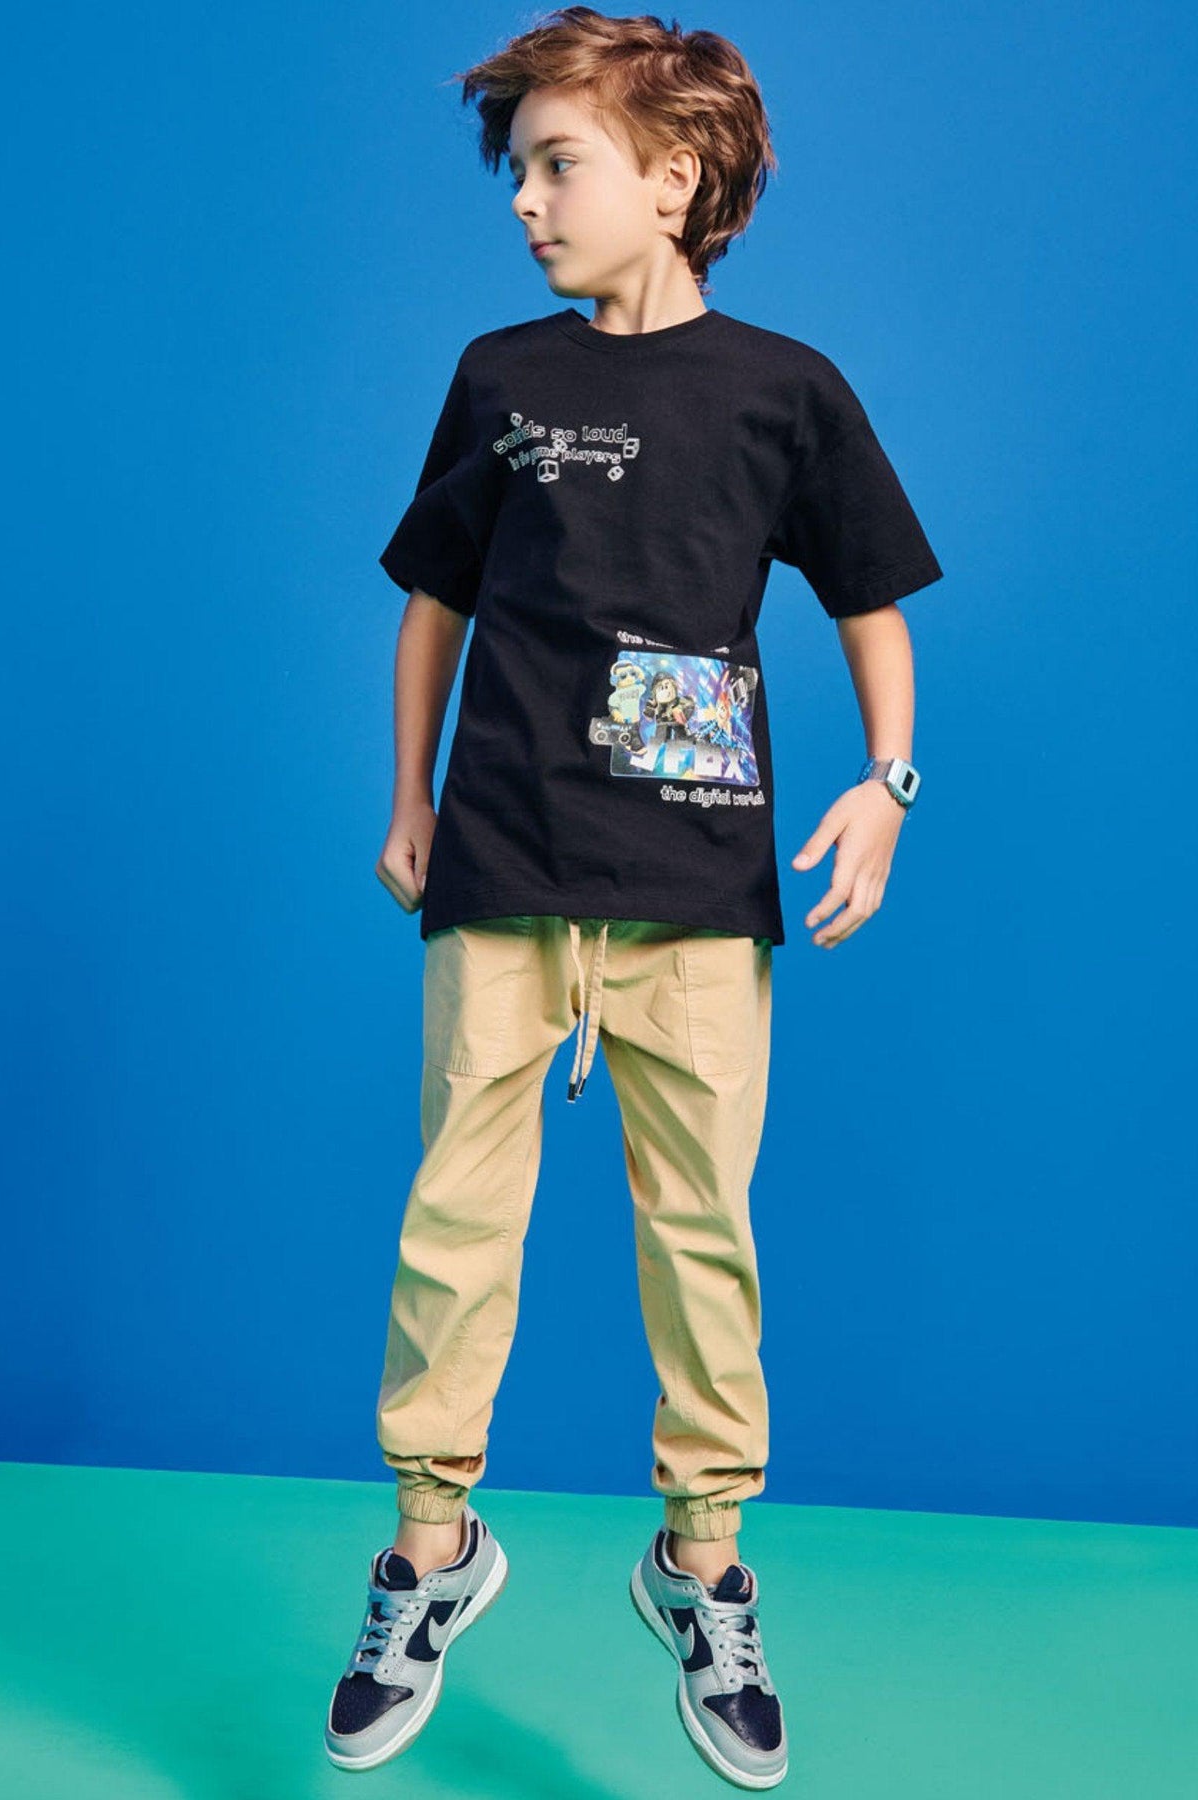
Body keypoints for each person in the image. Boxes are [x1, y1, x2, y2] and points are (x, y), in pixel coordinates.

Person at [325, 6, 943, 1788]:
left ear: (673, 181)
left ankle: (705, 1568)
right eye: (516, 171)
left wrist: (886, 786)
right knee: (456, 1219)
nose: (525, 202)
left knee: (701, 1237)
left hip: (697, 893)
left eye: (558, 163)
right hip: (504, 862)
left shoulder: (784, 391)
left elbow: (871, 603)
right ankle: (429, 1553)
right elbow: (433, 603)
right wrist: (410, 800)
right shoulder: (500, 380)